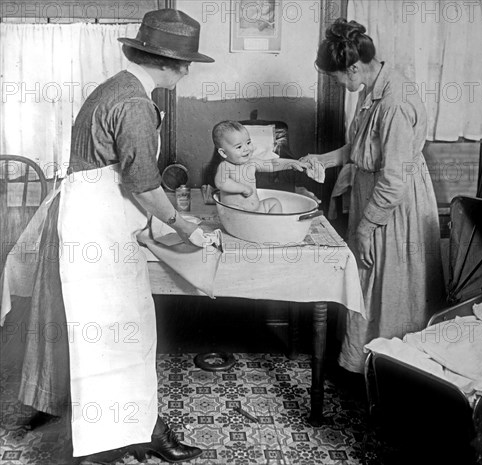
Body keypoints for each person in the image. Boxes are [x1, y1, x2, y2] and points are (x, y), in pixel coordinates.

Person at [56, 9, 213, 464]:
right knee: (115, 334)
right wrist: (184, 225)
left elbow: (132, 181)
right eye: (185, 62)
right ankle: (110, 443)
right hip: (97, 224)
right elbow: (142, 183)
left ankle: (133, 431)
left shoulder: (116, 87)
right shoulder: (135, 102)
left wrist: (149, 224)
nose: (186, 70)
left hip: (96, 218)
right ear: (167, 63)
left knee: (117, 334)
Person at [301, 18, 445, 374]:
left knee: (390, 288)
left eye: (336, 77)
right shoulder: (373, 85)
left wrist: (365, 228)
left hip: (394, 205)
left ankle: (393, 373)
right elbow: (362, 147)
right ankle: (366, 366)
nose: (336, 83)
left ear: (352, 67)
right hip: (376, 194)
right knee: (370, 283)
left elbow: (394, 178)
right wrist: (324, 159)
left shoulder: (394, 102)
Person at [212, 120, 308, 213]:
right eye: (239, 147)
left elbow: (272, 164)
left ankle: (271, 224)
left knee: (274, 203)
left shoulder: (252, 163)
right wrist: (242, 188)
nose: (246, 149)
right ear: (223, 153)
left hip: (255, 210)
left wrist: (290, 163)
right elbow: (221, 182)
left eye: (248, 143)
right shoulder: (225, 166)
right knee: (233, 212)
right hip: (236, 211)